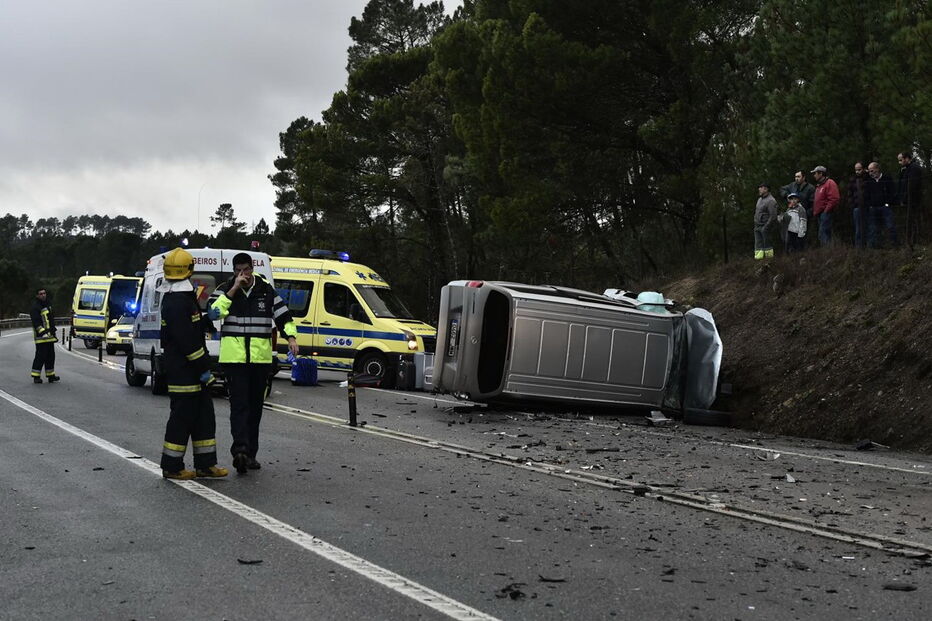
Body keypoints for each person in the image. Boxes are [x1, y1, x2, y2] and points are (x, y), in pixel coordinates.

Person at [208, 252, 299, 473]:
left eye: (246, 270)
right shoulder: (225, 288)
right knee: (239, 406)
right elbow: (213, 313)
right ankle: (239, 450)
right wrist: (232, 290)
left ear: (252, 268)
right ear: (234, 271)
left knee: (255, 408)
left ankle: (250, 454)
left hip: (259, 360)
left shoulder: (265, 289)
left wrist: (291, 338)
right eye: (239, 270)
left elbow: (283, 316)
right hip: (234, 360)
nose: (243, 274)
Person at [158, 247, 228, 480]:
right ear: (189, 270)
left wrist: (207, 319)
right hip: (184, 372)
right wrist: (204, 369)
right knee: (182, 419)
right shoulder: (178, 300)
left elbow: (191, 327)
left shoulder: (181, 296)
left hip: (190, 372)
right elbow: (187, 340)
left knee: (204, 418)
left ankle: (206, 464)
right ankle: (172, 466)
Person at [865, 161, 898, 248]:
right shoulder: (869, 181)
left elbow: (893, 192)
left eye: (872, 170)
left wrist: (888, 203)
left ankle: (895, 246)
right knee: (873, 228)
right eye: (869, 171)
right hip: (873, 208)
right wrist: (870, 204)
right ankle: (875, 248)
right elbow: (866, 195)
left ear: (877, 169)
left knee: (890, 226)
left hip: (885, 207)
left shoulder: (887, 178)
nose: (870, 173)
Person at [29, 288, 59, 383]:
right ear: (37, 295)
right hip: (41, 338)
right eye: (41, 294)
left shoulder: (48, 305)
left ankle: (51, 375)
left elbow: (51, 320)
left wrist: (53, 333)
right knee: (40, 357)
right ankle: (36, 376)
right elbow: (36, 322)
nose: (43, 295)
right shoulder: (35, 307)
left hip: (50, 337)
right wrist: (42, 333)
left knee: (50, 357)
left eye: (44, 293)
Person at [780, 171, 815, 244]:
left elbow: (813, 203)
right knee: (791, 236)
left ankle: (803, 253)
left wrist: (807, 214)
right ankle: (793, 253)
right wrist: (787, 196)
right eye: (795, 177)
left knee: (802, 236)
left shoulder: (810, 188)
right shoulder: (792, 185)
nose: (796, 178)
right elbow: (782, 189)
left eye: (798, 176)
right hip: (793, 216)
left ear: (803, 177)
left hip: (804, 215)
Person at [897, 151, 924, 247]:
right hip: (907, 200)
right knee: (910, 221)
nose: (899, 162)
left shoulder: (914, 168)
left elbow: (912, 186)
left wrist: (905, 199)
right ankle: (911, 243)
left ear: (907, 158)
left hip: (913, 201)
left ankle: (915, 243)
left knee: (914, 221)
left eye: (901, 160)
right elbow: (902, 185)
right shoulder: (905, 169)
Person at [811, 165, 840, 245]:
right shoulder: (819, 185)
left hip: (826, 213)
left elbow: (834, 198)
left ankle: (827, 252)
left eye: (815, 173)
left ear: (820, 174)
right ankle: (825, 252)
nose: (814, 175)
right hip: (819, 214)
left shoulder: (830, 183)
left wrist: (826, 211)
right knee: (822, 234)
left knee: (824, 234)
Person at [753, 183, 777, 260]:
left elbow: (773, 216)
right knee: (758, 247)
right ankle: (758, 261)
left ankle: (769, 262)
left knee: (767, 247)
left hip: (765, 227)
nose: (759, 189)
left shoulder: (771, 200)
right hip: (757, 226)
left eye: (761, 187)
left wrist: (766, 227)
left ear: (766, 189)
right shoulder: (759, 199)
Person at [849, 162, 869, 248]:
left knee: (868, 227)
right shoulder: (852, 180)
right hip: (857, 207)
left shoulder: (868, 179)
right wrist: (853, 205)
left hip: (867, 207)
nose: (857, 172)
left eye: (859, 169)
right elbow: (850, 194)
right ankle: (859, 247)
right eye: (856, 170)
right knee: (858, 228)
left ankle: (869, 246)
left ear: (863, 169)